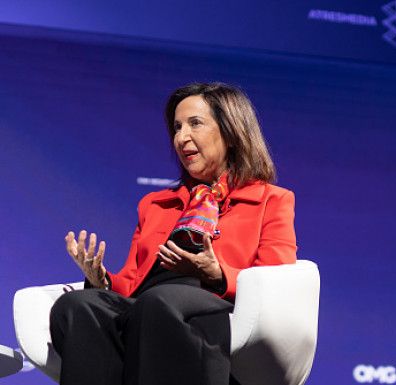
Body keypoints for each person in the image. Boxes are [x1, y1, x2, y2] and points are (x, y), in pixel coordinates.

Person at [49, 83, 297, 385]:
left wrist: (217, 274)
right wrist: (102, 281)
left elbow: (276, 281)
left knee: (159, 301)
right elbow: (132, 282)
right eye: (177, 127)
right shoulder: (154, 204)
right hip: (149, 303)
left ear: (231, 132)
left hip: (212, 302)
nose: (181, 138)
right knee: (76, 306)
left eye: (195, 124)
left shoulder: (271, 200)